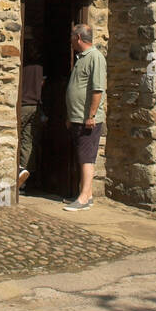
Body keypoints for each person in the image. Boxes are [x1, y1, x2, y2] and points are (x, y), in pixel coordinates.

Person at [63, 24, 105, 211]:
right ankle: (86, 194)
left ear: (78, 37)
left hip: (88, 119)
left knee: (87, 158)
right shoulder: (81, 58)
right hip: (77, 117)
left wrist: (91, 115)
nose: (70, 41)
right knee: (82, 156)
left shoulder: (95, 57)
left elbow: (97, 89)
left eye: (72, 37)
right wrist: (71, 115)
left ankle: (83, 198)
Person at [17, 46, 46, 189]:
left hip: (23, 104)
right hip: (36, 105)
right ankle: (27, 174)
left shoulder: (23, 66)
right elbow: (42, 84)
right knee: (28, 140)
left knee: (16, 136)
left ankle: (20, 172)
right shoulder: (40, 68)